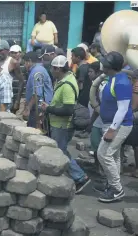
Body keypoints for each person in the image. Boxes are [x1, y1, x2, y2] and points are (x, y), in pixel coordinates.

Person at [41, 55, 91, 194]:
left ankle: (80, 177)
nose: (51, 70)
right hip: (58, 124)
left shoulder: (68, 85)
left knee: (61, 152)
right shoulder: (63, 80)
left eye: (53, 68)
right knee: (61, 150)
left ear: (58, 69)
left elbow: (68, 110)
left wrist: (48, 108)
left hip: (63, 125)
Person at [94, 52, 134, 202]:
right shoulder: (113, 78)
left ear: (109, 66)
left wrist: (112, 129)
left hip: (119, 126)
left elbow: (123, 109)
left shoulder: (121, 82)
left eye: (104, 63)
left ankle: (117, 189)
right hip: (111, 124)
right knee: (114, 156)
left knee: (103, 154)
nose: (102, 65)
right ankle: (112, 185)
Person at [22, 52, 53, 129]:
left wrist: (28, 108)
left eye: (25, 63)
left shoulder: (37, 71)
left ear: (29, 61)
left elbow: (37, 94)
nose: (24, 65)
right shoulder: (38, 69)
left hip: (39, 108)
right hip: (39, 106)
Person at [88, 62, 107, 177]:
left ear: (98, 72)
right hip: (99, 119)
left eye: (91, 72)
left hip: (104, 118)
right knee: (95, 143)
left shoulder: (102, 85)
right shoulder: (95, 84)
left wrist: (91, 121)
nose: (89, 74)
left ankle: (103, 170)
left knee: (102, 147)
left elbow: (98, 105)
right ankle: (98, 166)